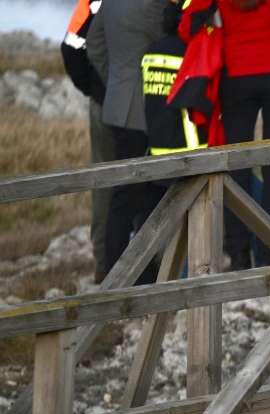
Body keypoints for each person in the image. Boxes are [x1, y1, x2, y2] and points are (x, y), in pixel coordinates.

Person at [181, 0, 270, 269]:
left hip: (236, 74)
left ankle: (239, 255)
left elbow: (186, 26)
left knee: (237, 168)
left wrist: (219, 35)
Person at [87, 0, 167, 284]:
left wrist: (116, 84)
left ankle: (118, 268)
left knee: (125, 193)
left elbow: (94, 45)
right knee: (136, 194)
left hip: (118, 104)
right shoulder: (152, 7)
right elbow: (172, 36)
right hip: (140, 111)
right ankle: (131, 272)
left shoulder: (111, 2)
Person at [140, 0, 208, 237]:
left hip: (159, 146)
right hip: (189, 148)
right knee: (193, 227)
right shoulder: (189, 52)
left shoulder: (150, 53)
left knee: (176, 223)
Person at [61, 0, 115, 282]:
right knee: (148, 182)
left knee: (104, 181)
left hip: (104, 100)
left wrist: (95, 88)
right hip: (148, 100)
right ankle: (152, 261)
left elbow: (71, 46)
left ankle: (104, 265)